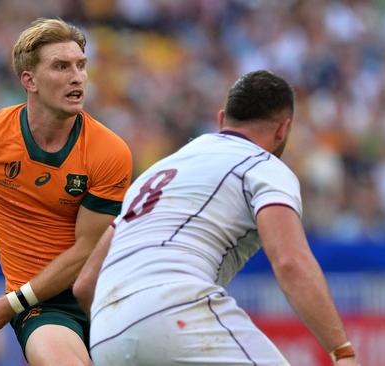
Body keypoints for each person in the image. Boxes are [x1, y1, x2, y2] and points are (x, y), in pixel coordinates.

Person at [73, 70, 358, 366]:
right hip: (174, 309)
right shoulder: (262, 165)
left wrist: (126, 329)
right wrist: (342, 351)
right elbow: (290, 262)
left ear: (222, 119)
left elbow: (85, 284)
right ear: (283, 129)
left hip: (106, 333)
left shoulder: (154, 174)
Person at [0, 18, 132, 366]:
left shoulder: (109, 151)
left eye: (81, 65)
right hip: (43, 306)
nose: (77, 76)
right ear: (29, 80)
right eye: (61, 66)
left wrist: (8, 304)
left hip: (113, 292)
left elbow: (87, 250)